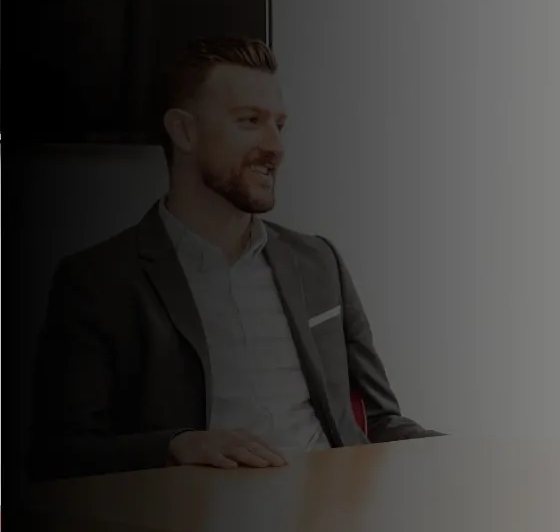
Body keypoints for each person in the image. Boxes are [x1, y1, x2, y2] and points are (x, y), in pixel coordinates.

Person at [29, 37, 440, 485]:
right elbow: (58, 456)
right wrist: (176, 446)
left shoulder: (319, 262)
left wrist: (464, 458)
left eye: (280, 125)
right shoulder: (97, 281)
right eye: (250, 121)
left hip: (332, 528)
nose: (276, 146)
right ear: (184, 132)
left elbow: (378, 422)